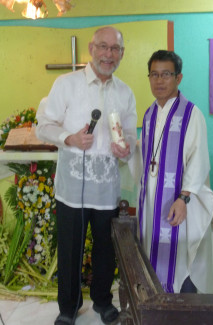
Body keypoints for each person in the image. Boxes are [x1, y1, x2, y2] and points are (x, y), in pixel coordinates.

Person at [36, 26, 137, 325]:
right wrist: (69, 137)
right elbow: (44, 125)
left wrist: (126, 148)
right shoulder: (66, 84)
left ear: (122, 53)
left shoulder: (125, 91)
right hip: (72, 187)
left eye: (115, 48)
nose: (108, 54)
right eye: (103, 47)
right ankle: (68, 307)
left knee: (107, 250)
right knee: (70, 249)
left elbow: (129, 133)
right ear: (92, 49)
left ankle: (103, 301)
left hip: (107, 189)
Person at [136, 50, 213, 294]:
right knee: (152, 253)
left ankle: (184, 311)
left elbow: (199, 160)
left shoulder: (192, 114)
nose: (159, 81)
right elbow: (146, 157)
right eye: (154, 74)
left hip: (180, 203)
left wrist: (183, 198)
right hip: (152, 203)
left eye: (166, 74)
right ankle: (157, 306)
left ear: (178, 78)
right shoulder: (149, 115)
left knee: (183, 260)